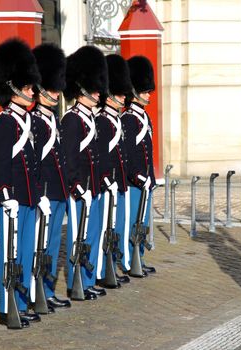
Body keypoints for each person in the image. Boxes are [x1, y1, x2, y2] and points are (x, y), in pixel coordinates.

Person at [0, 38, 42, 328]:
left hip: (29, 199)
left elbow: (33, 162)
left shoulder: (26, 120)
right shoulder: (6, 122)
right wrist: (4, 195)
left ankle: (20, 302)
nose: (33, 90)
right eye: (28, 85)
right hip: (13, 201)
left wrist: (39, 194)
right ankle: (7, 309)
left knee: (26, 253)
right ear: (12, 86)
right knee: (11, 255)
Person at [61, 45, 108, 300]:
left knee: (93, 234)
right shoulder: (72, 120)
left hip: (94, 188)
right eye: (93, 88)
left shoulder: (91, 118)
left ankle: (88, 281)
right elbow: (69, 159)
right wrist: (78, 187)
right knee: (78, 237)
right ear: (81, 90)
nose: (98, 93)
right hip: (80, 190)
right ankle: (76, 282)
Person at [31, 43, 71, 310]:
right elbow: (31, 163)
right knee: (39, 245)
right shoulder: (33, 121)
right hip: (43, 192)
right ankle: (36, 293)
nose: (57, 93)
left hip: (58, 192)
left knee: (53, 244)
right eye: (52, 87)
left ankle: (48, 288)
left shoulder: (54, 120)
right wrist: (38, 193)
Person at [95, 54, 133, 288]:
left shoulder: (116, 120)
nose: (123, 98)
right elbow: (102, 156)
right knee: (103, 229)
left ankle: (109, 266)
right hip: (106, 183)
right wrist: (107, 179)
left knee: (113, 228)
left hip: (117, 183)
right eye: (118, 93)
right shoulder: (102, 121)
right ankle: (101, 270)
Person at [121, 55, 157, 277]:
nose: (147, 95)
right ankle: (127, 261)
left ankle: (139, 257)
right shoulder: (128, 119)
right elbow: (129, 154)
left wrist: (150, 177)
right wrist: (138, 176)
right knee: (132, 223)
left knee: (142, 224)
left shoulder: (143, 117)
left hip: (145, 180)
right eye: (143, 91)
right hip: (134, 182)